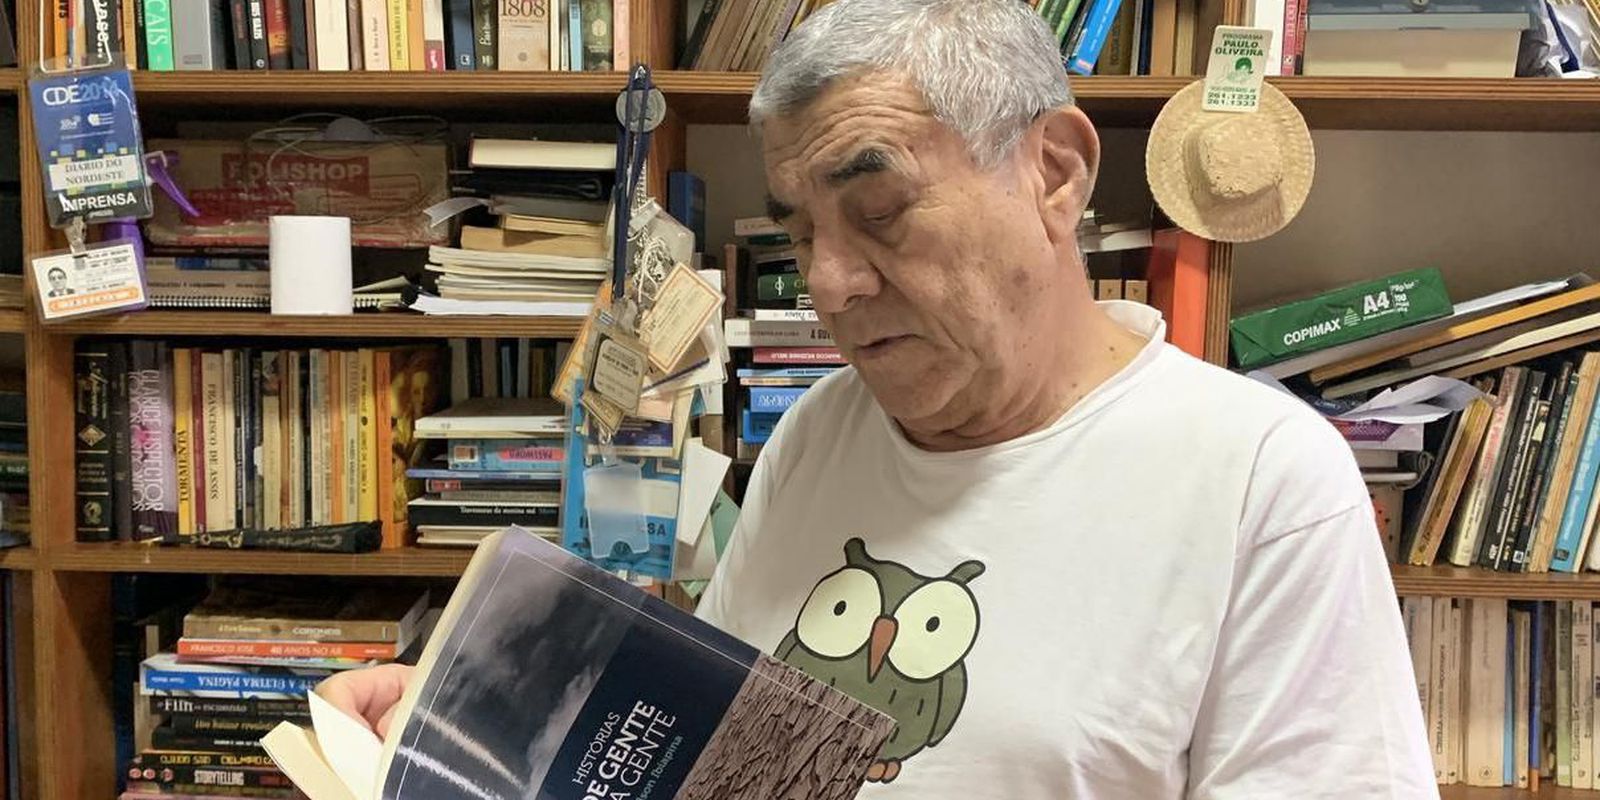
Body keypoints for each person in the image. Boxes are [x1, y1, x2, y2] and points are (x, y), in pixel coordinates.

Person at [319, 1, 1436, 797]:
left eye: (882, 210)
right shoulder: (818, 433)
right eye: (800, 231)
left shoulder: (1259, 480)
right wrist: (475, 722)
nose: (830, 283)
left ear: (1052, 172)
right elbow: (716, 760)